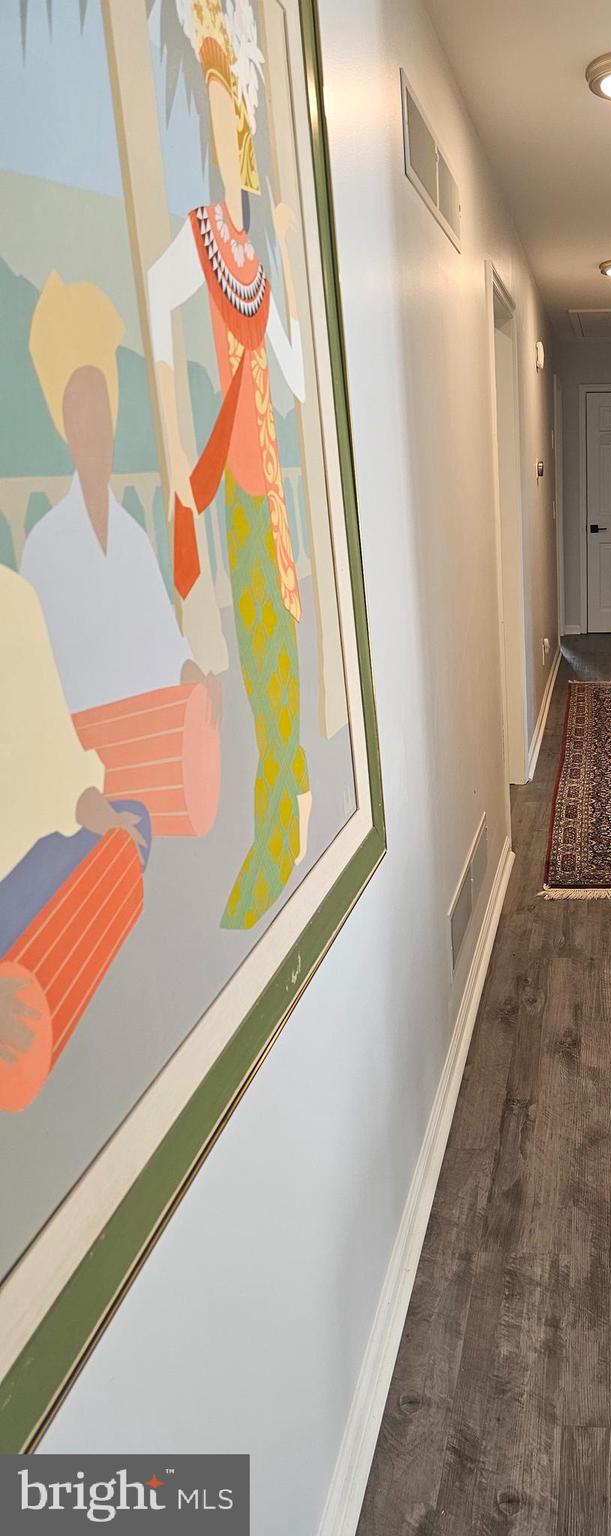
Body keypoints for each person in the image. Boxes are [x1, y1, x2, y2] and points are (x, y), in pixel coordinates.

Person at [148, 0, 311, 930]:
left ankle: (287, 801)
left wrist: (287, 240)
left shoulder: (259, 248)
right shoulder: (205, 233)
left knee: (280, 644)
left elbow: (288, 364)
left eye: (234, 104)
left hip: (275, 494)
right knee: (259, 657)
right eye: (215, 100)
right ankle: (276, 815)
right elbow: (166, 303)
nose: (227, 123)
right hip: (239, 492)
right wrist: (172, 440)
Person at [21, 274, 221, 720]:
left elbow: (168, 648)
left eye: (101, 406)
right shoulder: (44, 549)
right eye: (79, 411)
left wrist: (196, 680)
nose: (93, 428)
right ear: (64, 428)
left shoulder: (133, 541)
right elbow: (46, 697)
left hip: (147, 744)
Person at [0, 566, 149, 1089]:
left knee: (135, 820)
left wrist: (97, 811)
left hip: (39, 856)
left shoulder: (14, 597)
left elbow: (58, 753)